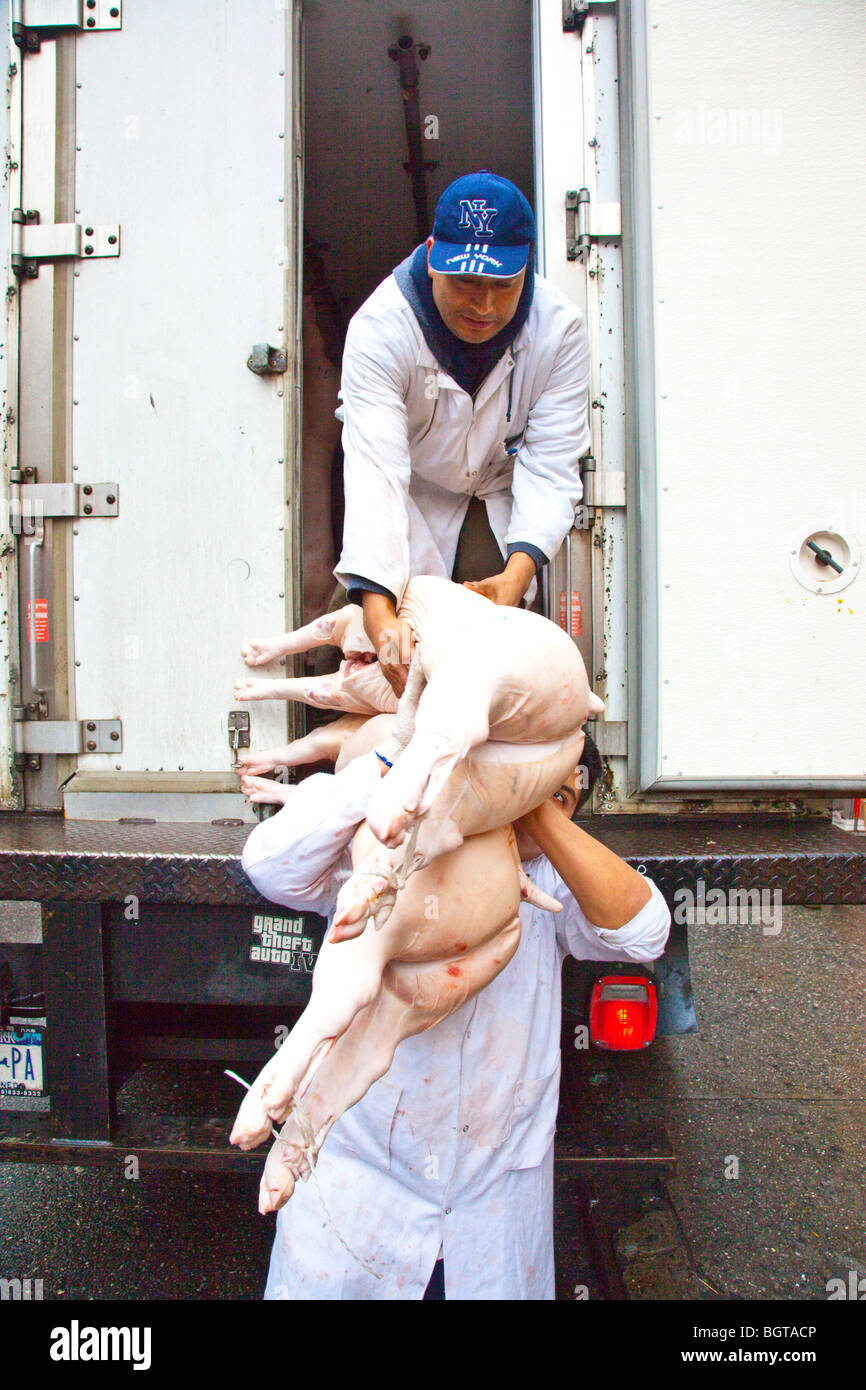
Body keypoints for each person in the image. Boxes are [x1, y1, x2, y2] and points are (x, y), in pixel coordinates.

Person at [242, 731, 671, 1301]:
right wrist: (407, 762)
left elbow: (648, 932)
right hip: (364, 1190)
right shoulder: (391, 845)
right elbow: (270, 866)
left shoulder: (548, 882)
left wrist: (530, 803)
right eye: (511, 780)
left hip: (492, 1201)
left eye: (560, 798)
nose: (523, 801)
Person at [334, 170, 591, 695]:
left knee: (498, 661)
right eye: (466, 282)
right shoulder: (382, 327)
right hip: (411, 492)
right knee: (365, 645)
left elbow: (550, 465)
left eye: (502, 286)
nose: (484, 306)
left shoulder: (559, 330)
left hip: (500, 490)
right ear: (432, 255)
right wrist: (380, 616)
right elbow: (376, 470)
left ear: (528, 267)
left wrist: (515, 577)